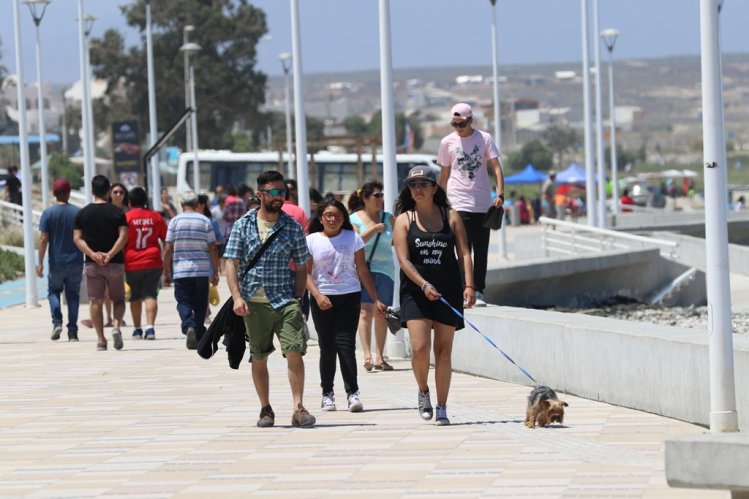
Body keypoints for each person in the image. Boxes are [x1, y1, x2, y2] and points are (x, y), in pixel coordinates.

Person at [223, 170, 316, 429]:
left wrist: (297, 298)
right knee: (259, 356)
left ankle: (298, 407)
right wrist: (236, 297)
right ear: (260, 194)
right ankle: (265, 408)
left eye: (282, 192)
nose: (279, 197)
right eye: (273, 192)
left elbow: (301, 266)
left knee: (294, 351)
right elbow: (231, 263)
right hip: (253, 302)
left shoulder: (292, 227)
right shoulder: (243, 225)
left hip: (284, 300)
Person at [393, 166, 475, 426]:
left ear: (433, 188)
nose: (417, 189)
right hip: (416, 292)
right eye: (412, 185)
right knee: (419, 348)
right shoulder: (404, 219)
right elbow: (404, 260)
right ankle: (423, 391)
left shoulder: (450, 216)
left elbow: (464, 253)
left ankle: (442, 406)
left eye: (422, 184)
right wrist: (423, 284)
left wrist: (469, 286)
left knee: (444, 352)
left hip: (447, 291)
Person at [306, 199, 387, 413]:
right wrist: (317, 295)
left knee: (346, 345)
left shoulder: (354, 238)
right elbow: (305, 274)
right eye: (328, 215)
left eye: (338, 215)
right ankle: (327, 394)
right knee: (327, 347)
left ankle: (353, 393)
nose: (333, 219)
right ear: (321, 217)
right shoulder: (311, 240)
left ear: (344, 218)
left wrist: (375, 298)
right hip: (322, 298)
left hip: (349, 296)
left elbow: (362, 269)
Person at [437, 103, 504, 307]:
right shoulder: (447, 142)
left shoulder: (484, 138)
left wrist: (500, 193)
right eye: (454, 124)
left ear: (470, 120)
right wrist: (438, 200)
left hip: (483, 202)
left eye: (461, 123)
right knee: (463, 249)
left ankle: (479, 290)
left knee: (481, 249)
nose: (458, 127)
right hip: (458, 201)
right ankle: (465, 288)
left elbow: (496, 168)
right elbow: (445, 174)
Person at [73, 175, 128, 351]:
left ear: (92, 191)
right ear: (108, 191)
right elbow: (123, 235)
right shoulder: (118, 212)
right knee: (118, 299)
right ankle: (116, 327)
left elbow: (77, 238)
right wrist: (110, 254)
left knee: (95, 300)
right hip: (115, 263)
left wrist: (92, 254)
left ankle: (101, 340)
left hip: (92, 264)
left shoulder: (82, 213)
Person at [348, 181, 396, 372]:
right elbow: (355, 242)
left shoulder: (389, 217)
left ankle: (379, 356)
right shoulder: (354, 218)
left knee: (381, 312)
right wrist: (374, 230)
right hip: (363, 270)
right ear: (365, 199)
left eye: (381, 195)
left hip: (386, 270)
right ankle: (367, 354)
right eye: (376, 196)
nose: (380, 199)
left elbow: (397, 240)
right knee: (365, 311)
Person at [163, 191, 219, 350]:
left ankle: (189, 326)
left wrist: (166, 272)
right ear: (197, 204)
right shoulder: (204, 221)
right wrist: (215, 271)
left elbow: (168, 248)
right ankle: (199, 331)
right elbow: (212, 247)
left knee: (183, 301)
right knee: (201, 303)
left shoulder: (174, 221)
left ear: (182, 204)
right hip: (201, 271)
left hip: (181, 271)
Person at [36, 178, 83, 341]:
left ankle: (57, 322)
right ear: (69, 193)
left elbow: (43, 239)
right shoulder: (78, 212)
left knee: (53, 291)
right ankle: (73, 331)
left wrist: (40, 262)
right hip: (76, 261)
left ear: (54, 193)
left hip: (56, 262)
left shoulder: (48, 214)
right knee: (73, 296)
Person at [124, 187, 167, 340]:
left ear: (129, 202)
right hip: (153, 261)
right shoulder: (156, 217)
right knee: (150, 294)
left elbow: (121, 239)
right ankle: (150, 328)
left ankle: (137, 329)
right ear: (145, 201)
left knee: (135, 296)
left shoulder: (127, 217)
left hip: (132, 262)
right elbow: (166, 239)